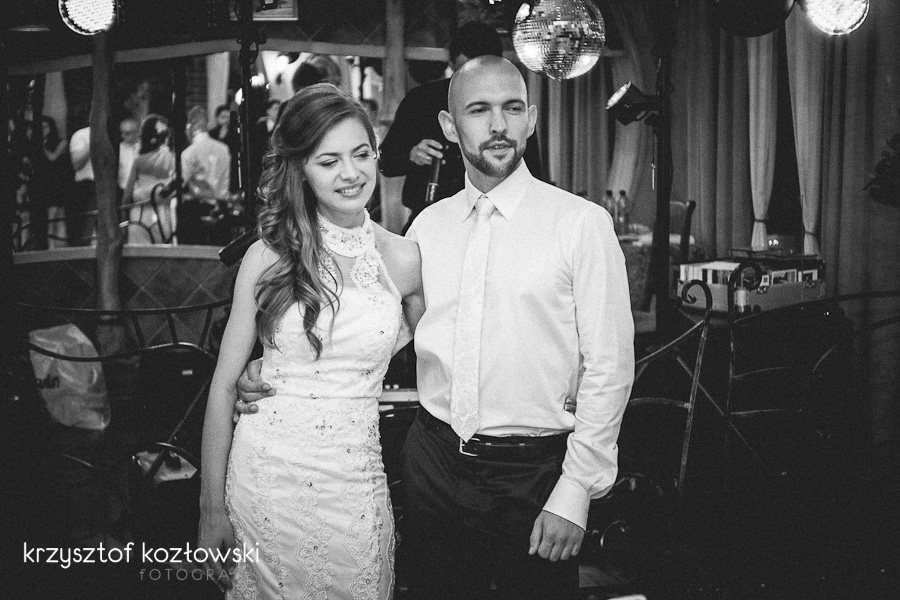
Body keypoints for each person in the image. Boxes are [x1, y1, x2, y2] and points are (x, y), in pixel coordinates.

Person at [237, 57, 635, 600]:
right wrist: (276, 366)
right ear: (450, 126)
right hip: (433, 467)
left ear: (532, 119)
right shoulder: (426, 228)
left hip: (535, 475)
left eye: (512, 108)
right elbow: (373, 331)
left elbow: (611, 367)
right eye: (479, 110)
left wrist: (577, 489)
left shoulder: (581, 224)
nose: (498, 125)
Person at [198, 83, 424, 599]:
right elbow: (224, 386)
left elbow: (441, 360)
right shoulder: (267, 257)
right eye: (329, 161)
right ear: (301, 169)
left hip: (355, 481)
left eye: (361, 154)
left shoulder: (404, 258)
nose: (351, 173)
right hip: (265, 478)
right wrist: (210, 509)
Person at [379, 21, 543, 233]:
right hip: (430, 218)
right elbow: (386, 161)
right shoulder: (422, 100)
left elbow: (533, 174)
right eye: (464, 71)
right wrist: (411, 154)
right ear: (452, 64)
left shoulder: (513, 108)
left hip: (499, 222)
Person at [178, 106, 232, 244]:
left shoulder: (188, 153)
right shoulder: (224, 148)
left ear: (190, 126)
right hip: (223, 207)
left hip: (198, 210)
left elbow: (183, 182)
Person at [122, 114, 176, 243]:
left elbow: (127, 195)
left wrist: (124, 222)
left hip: (139, 216)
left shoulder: (139, 161)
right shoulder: (172, 159)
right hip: (163, 215)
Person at [38, 116, 73, 247]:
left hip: (56, 182)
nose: (43, 130)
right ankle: (50, 245)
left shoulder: (61, 142)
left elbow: (53, 157)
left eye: (45, 127)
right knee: (48, 216)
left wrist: (41, 146)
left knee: (55, 215)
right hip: (43, 182)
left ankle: (57, 245)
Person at [68, 120, 95, 246]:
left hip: (109, 185)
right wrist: (92, 143)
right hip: (87, 185)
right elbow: (76, 164)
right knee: (86, 225)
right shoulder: (80, 135)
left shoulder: (112, 133)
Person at [209, 104, 241, 192]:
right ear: (217, 118)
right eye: (223, 117)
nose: (226, 120)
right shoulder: (211, 133)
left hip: (230, 168)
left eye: (228, 117)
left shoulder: (234, 134)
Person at [118, 118, 140, 200]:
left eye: (130, 132)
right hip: (123, 190)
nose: (125, 135)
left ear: (137, 132)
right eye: (124, 132)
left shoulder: (144, 147)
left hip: (141, 190)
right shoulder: (117, 150)